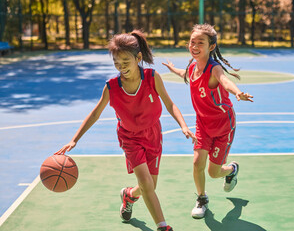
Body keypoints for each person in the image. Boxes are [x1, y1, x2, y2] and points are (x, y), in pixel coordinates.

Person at [56, 30, 196, 231]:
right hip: (129, 138)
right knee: (147, 183)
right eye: (116, 63)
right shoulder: (112, 87)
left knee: (150, 186)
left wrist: (183, 126)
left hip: (153, 134)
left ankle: (129, 195)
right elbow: (95, 114)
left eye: (125, 62)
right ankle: (163, 226)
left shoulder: (152, 78)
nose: (120, 67)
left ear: (138, 58)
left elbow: (170, 104)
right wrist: (74, 139)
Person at [162, 23, 253, 219]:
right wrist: (173, 69)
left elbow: (225, 81)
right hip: (203, 124)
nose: (194, 46)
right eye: (192, 42)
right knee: (197, 163)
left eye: (200, 43)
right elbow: (185, 74)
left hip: (223, 126)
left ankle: (231, 170)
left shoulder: (214, 68)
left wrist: (237, 92)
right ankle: (202, 198)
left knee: (213, 172)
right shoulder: (193, 67)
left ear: (211, 46)